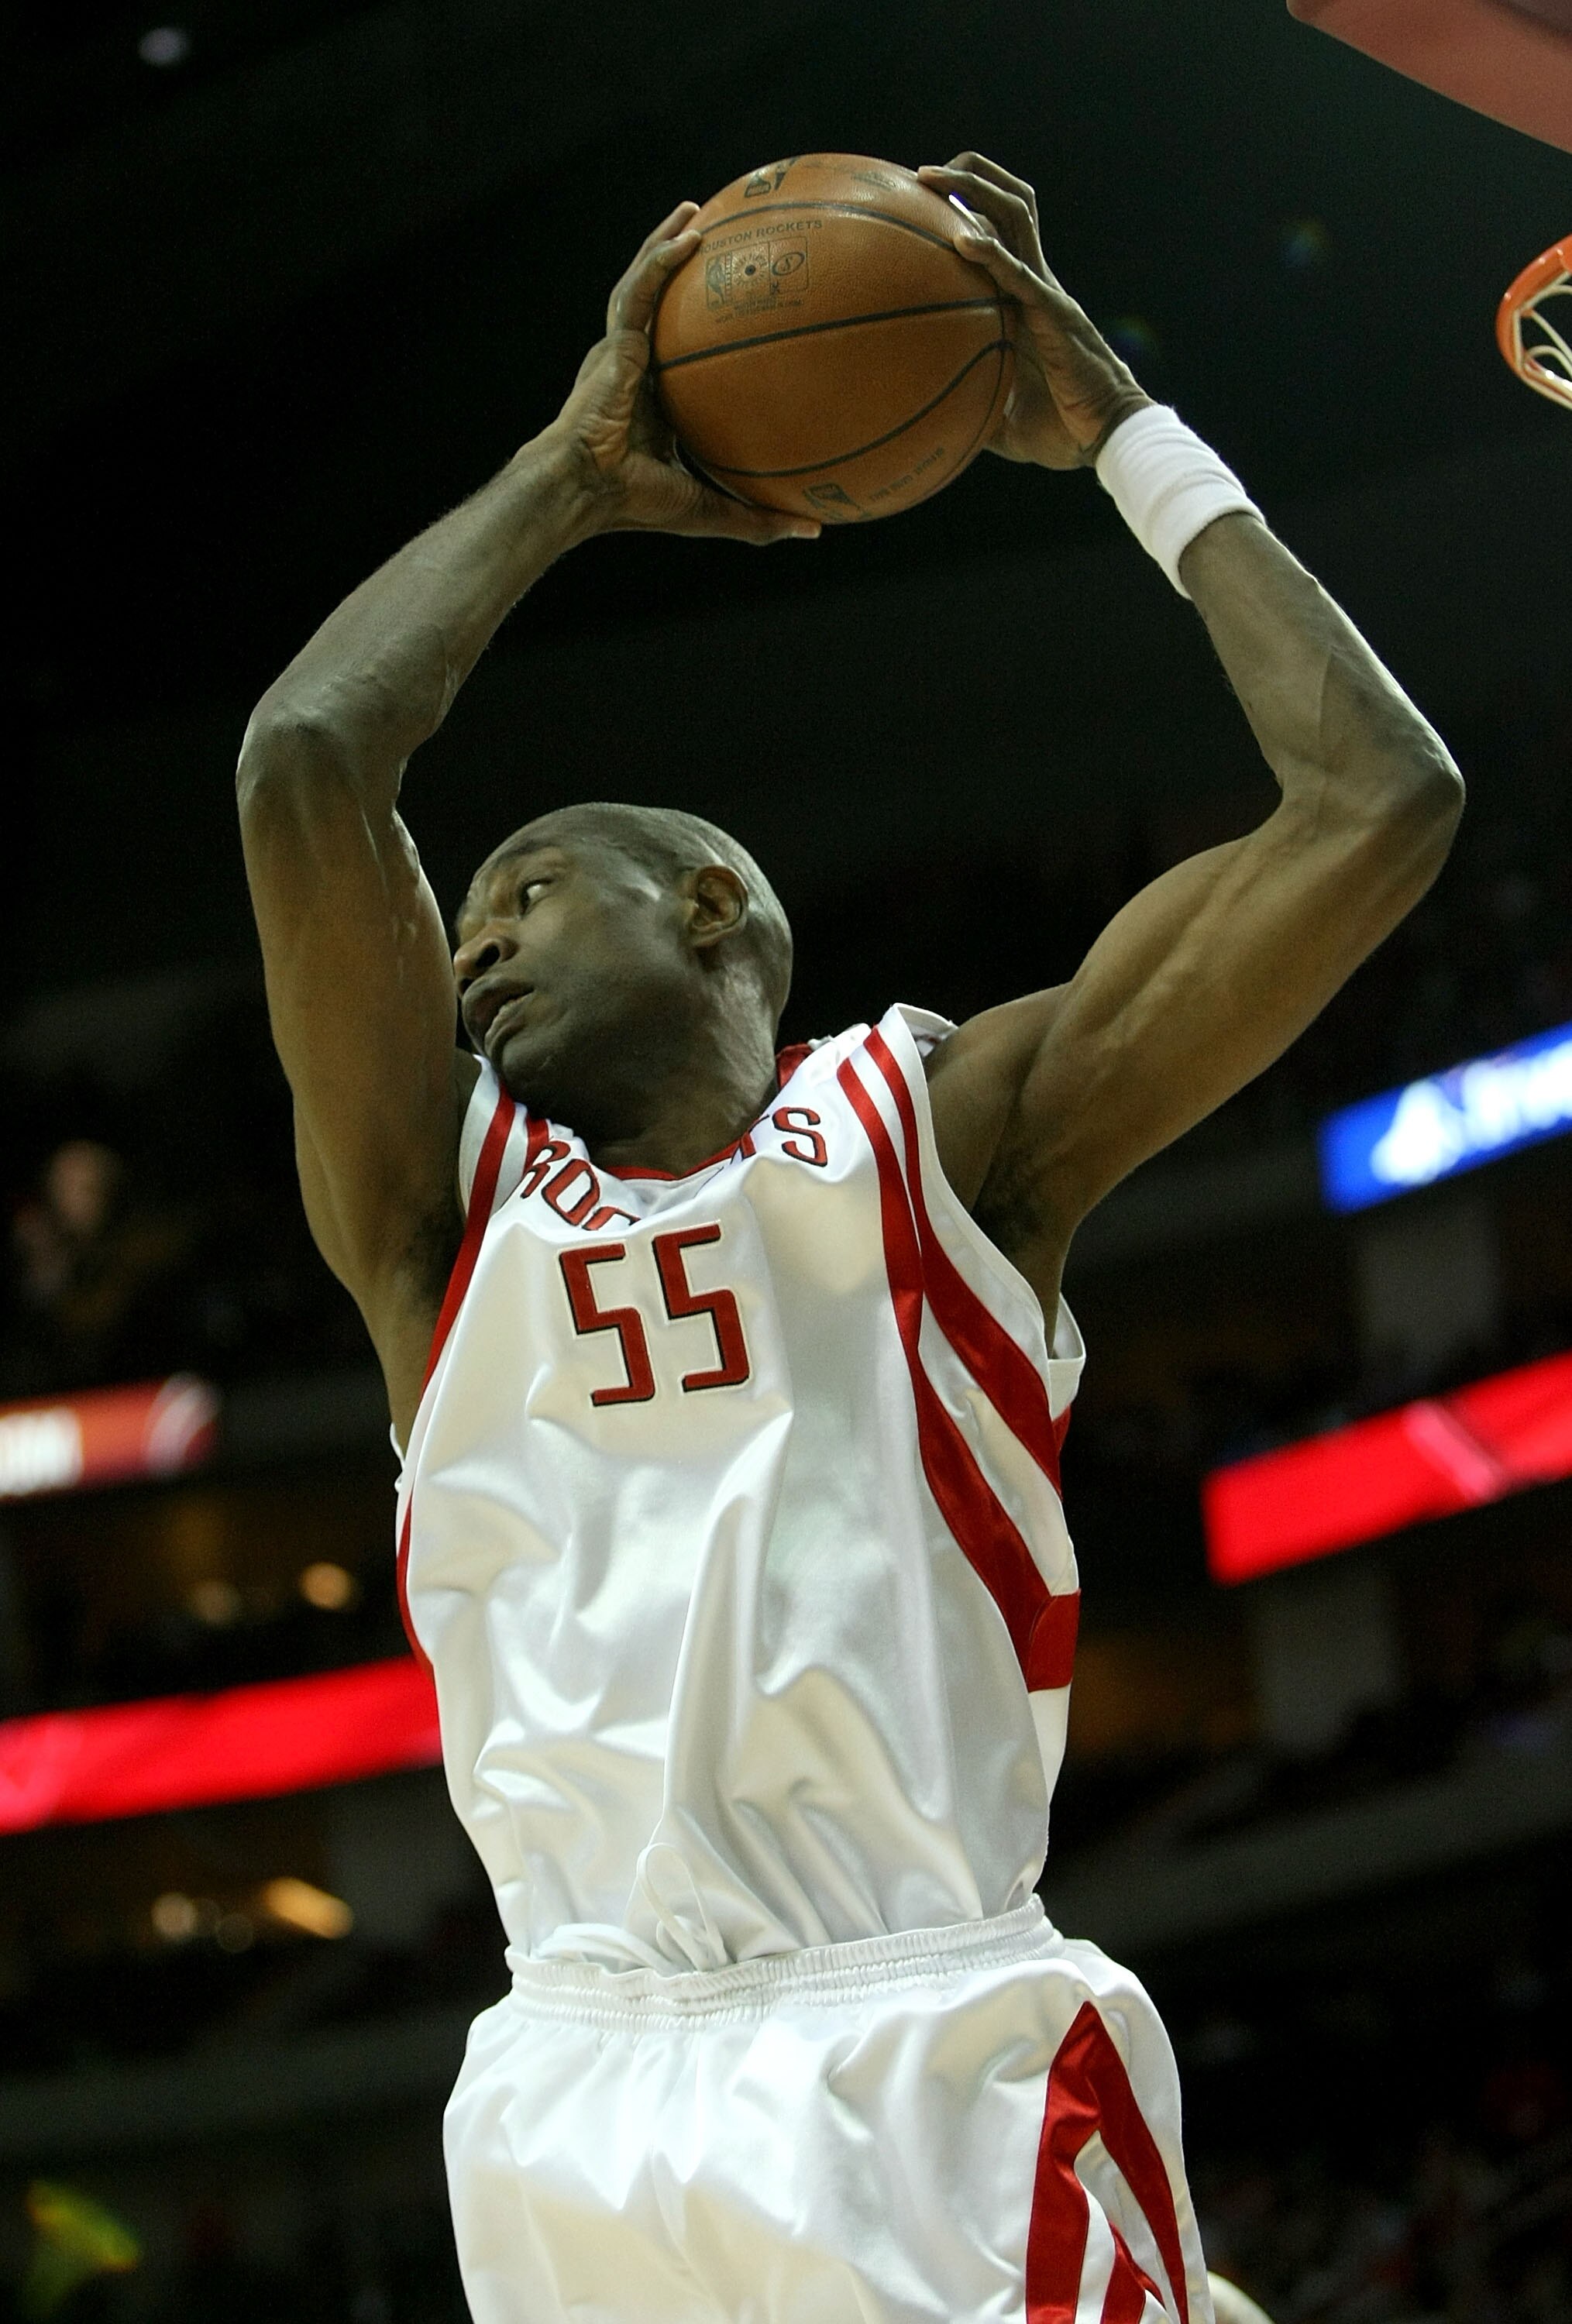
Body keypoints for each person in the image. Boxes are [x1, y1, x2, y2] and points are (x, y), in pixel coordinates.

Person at [236, 151, 1459, 2324]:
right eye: (466, 916)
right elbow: (311, 762)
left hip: (914, 2046)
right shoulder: (437, 1226)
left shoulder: (943, 1138)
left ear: (714, 906)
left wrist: (1124, 433)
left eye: (529, 890)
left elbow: (1377, 803)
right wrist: (570, 473)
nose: (472, 947)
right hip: (568, 2092)